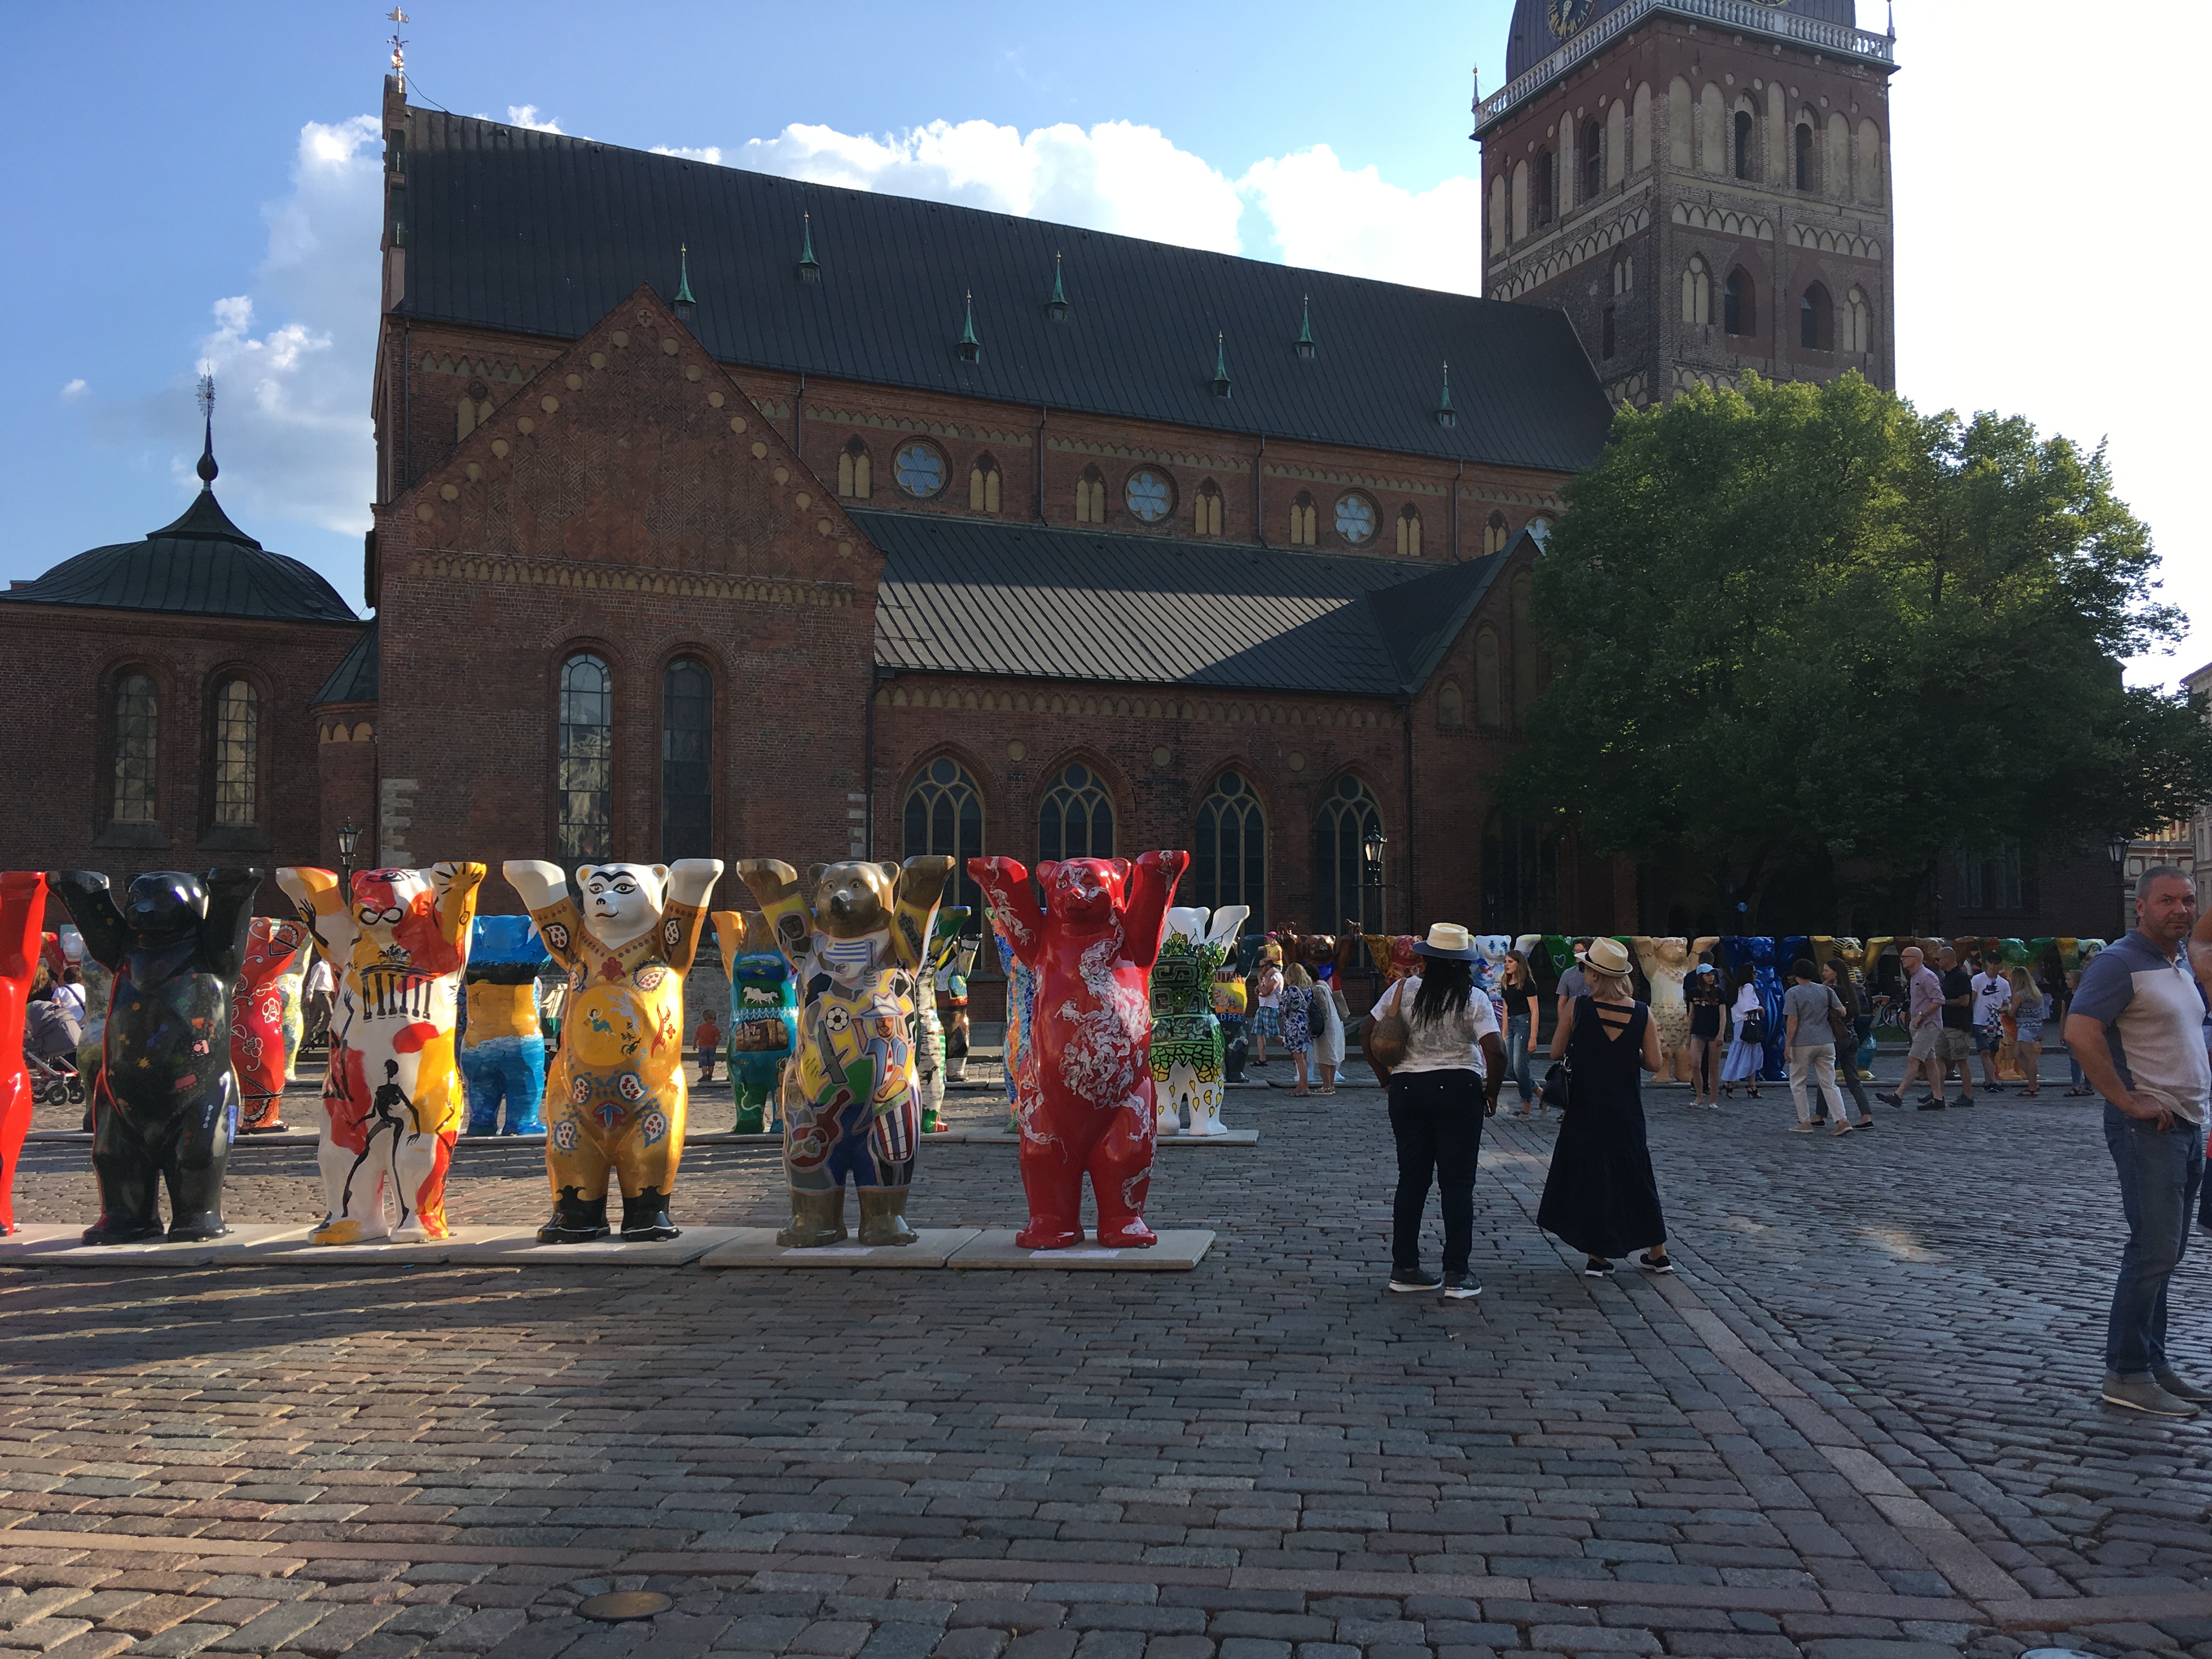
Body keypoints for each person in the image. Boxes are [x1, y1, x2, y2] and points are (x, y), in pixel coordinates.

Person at [2067, 866, 2211, 1417]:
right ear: (2142, 907)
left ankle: (2153, 1363)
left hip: (2186, 1125)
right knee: (2152, 1252)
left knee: (2165, 1254)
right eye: (2167, 900)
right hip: (2148, 1130)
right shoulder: (2119, 962)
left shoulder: (2179, 962)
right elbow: (2079, 1032)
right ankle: (2126, 1373)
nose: (2180, 910)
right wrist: (2127, 1100)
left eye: (2188, 900)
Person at [1364, 923, 1504, 1299]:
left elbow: (1366, 1034)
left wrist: (1385, 1079)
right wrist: (1491, 1092)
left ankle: (1405, 1267)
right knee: (1457, 1184)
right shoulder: (1473, 998)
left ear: (1427, 958)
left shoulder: (1402, 990)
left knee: (1412, 1180)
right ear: (1462, 963)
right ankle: (1457, 1271)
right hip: (1459, 1089)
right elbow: (1496, 1051)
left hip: (1409, 1089)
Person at [1537, 937, 1672, 1277]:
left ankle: (1597, 1255)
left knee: (1591, 1176)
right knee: (1637, 1176)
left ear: (1596, 975)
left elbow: (1556, 1052)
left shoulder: (1578, 1008)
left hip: (1586, 1107)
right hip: (1626, 1109)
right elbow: (1654, 1063)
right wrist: (1626, 1051)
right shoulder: (1641, 1012)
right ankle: (1658, 1252)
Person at [1782, 960, 1855, 1136]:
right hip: (1826, 1041)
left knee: (1798, 1082)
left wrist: (1787, 1045)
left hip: (1803, 1042)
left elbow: (1793, 1020)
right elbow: (1843, 1011)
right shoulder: (1826, 990)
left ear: (1796, 975)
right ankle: (1842, 1120)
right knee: (1829, 1083)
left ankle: (1805, 1121)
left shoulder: (1793, 993)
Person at [1879, 945, 1944, 1111]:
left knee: (1913, 1058)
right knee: (1930, 1061)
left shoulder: (1927, 976)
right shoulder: (1915, 977)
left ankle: (1898, 1095)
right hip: (1921, 1025)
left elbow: (1939, 1000)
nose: (1902, 960)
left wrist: (1921, 1015)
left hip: (1929, 1024)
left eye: (1905, 957)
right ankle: (1938, 1098)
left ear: (1916, 959)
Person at [1822, 958, 1876, 1128]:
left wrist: (1824, 986)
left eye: (1827, 971)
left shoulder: (1832, 990)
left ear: (1835, 972)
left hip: (1836, 1037)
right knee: (1853, 1080)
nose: (1824, 974)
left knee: (1826, 1077)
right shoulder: (1852, 989)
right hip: (1852, 1036)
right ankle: (1866, 1116)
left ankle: (1819, 1115)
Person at [1933, 945, 1979, 1107]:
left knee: (1961, 1060)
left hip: (1958, 1025)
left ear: (1947, 959)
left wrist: (1943, 1002)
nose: (1936, 962)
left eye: (1938, 959)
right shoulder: (1947, 976)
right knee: (1939, 1058)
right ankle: (1938, 1094)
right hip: (1944, 1024)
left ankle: (1967, 1095)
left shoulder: (1961, 976)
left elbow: (1965, 1001)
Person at [1718, 964, 1765, 1101]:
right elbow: (1748, 1007)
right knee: (1751, 1054)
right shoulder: (1748, 987)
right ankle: (1744, 1084)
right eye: (1754, 972)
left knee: (1741, 1053)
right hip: (1748, 1024)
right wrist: (1759, 1008)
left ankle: (1742, 1083)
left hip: (1740, 1024)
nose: (1756, 975)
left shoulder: (1737, 989)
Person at [1503, 951, 1541, 1115]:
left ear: (1519, 964)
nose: (1507, 964)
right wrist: (1504, 1033)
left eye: (1510, 961)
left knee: (1520, 1066)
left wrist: (1533, 1036)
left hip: (1524, 1024)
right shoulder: (1506, 983)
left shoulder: (1527, 984)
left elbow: (1535, 1011)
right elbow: (1505, 1010)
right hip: (1511, 1024)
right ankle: (1540, 1092)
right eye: (1506, 961)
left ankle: (1526, 1105)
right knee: (1508, 1068)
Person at [1684, 961, 1725, 1109]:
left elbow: (1723, 1015)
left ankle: (1712, 1100)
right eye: (1708, 975)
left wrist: (1721, 1033)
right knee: (1695, 1064)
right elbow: (1691, 1015)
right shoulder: (1693, 993)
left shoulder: (1719, 993)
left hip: (1714, 1032)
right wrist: (1688, 1035)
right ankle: (1699, 1096)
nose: (1711, 977)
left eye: (1712, 974)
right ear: (1701, 977)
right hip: (1698, 1031)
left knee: (1713, 1067)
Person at [1971, 953, 2012, 1093]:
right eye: (1991, 963)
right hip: (1980, 1020)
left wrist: (2003, 1009)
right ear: (1987, 963)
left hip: (1996, 1021)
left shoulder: (2004, 983)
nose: (1993, 966)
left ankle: (1988, 1080)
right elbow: (1973, 998)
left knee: (1993, 1052)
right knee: (1985, 1051)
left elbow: (2008, 1002)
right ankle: (1993, 1080)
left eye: (1996, 963)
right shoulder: (1978, 979)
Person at [2008, 967, 2047, 1098]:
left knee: (2030, 1058)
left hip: (2025, 1028)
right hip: (2035, 1025)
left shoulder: (2020, 995)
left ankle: (2032, 1086)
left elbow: (2011, 1013)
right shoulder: (2035, 992)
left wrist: (2007, 1006)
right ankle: (2032, 1080)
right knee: (2018, 1053)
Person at [1279, 962, 1314, 1097]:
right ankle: (1301, 1085)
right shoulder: (1308, 990)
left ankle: (1304, 1087)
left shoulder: (1291, 990)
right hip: (1305, 1023)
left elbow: (1283, 1009)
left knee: (1299, 1058)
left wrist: (1279, 1000)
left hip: (1294, 1025)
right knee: (1303, 1057)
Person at [1312, 970, 1348, 1095]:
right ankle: (1331, 1085)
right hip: (1335, 1022)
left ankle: (1327, 1086)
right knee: (1332, 1056)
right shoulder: (1325, 985)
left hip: (1326, 1027)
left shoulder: (1317, 989)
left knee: (1323, 1057)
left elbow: (1323, 1009)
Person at [1250, 946, 1283, 1066]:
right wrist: (1260, 981)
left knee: (1273, 1035)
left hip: (1271, 1008)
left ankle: (1292, 1048)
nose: (1260, 969)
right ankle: (1262, 1059)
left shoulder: (1276, 976)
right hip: (1262, 1007)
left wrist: (1261, 987)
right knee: (1259, 1033)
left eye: (1262, 967)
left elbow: (1267, 992)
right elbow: (1258, 991)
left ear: (1269, 966)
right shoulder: (1264, 977)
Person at [695, 1009, 722, 1084]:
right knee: (711, 1063)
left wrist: (694, 1044)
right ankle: (710, 1075)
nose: (715, 1020)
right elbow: (717, 1038)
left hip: (703, 1047)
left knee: (704, 1063)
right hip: (712, 1048)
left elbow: (696, 1036)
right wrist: (716, 1043)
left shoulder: (700, 1027)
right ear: (709, 1019)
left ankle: (704, 1076)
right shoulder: (715, 1029)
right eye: (714, 1018)